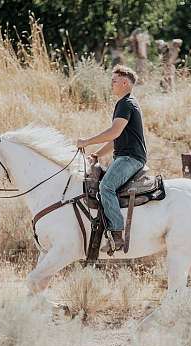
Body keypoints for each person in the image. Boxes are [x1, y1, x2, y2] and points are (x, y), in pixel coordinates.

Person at [76, 65, 147, 253]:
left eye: (114, 80)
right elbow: (117, 138)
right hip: (124, 156)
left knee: (105, 187)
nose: (112, 83)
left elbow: (114, 132)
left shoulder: (126, 104)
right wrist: (97, 154)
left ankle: (116, 235)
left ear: (125, 82)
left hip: (130, 158)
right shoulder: (126, 103)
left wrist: (87, 141)